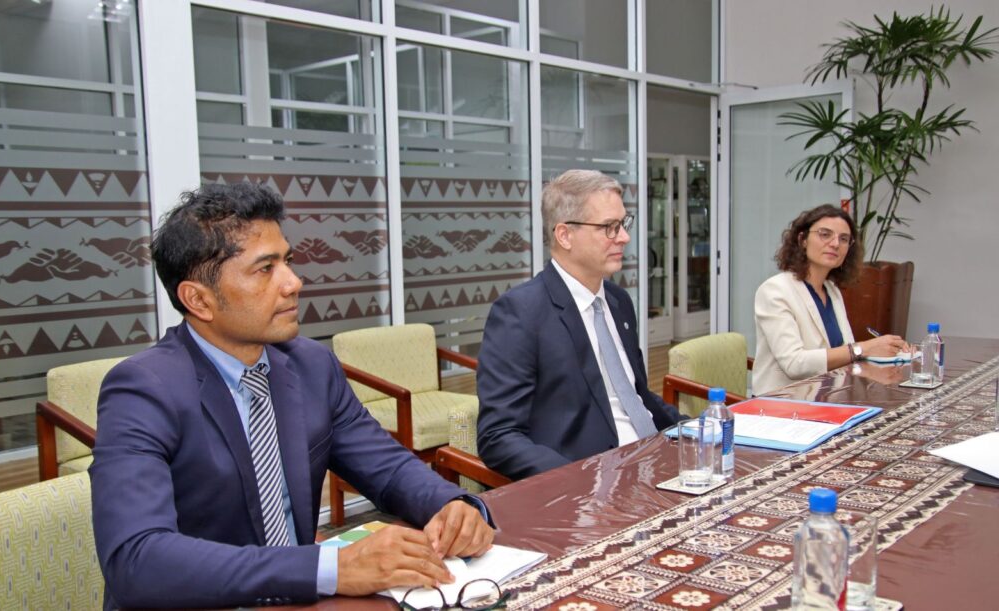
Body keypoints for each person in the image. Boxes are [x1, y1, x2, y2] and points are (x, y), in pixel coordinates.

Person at [89, 183, 493, 610]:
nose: (293, 282)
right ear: (199, 300)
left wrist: (453, 505)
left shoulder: (310, 365)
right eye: (265, 269)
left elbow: (388, 468)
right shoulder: (142, 390)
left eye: (288, 261)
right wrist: (331, 568)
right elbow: (137, 560)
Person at [476, 169, 681, 481]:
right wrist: (579, 480)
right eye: (609, 227)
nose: (624, 238)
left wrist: (696, 428)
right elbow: (498, 436)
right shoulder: (520, 313)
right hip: (593, 480)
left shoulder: (618, 301)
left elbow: (636, 394)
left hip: (656, 460)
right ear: (564, 235)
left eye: (623, 224)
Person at [752, 204, 907, 395]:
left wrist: (889, 350)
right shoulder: (775, 290)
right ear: (802, 239)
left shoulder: (832, 290)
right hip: (782, 403)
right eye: (825, 234)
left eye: (844, 239)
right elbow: (794, 364)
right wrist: (864, 348)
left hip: (829, 398)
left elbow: (844, 354)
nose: (835, 244)